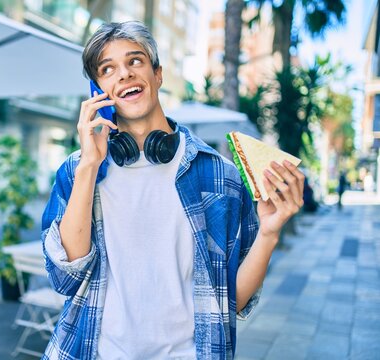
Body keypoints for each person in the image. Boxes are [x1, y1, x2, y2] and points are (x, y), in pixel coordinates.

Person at [41, 21, 304, 360]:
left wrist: (269, 233)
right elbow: (65, 279)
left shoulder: (219, 175)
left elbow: (232, 299)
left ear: (158, 74)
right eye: (108, 69)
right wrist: (89, 166)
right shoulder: (78, 172)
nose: (124, 74)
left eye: (135, 61)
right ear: (98, 90)